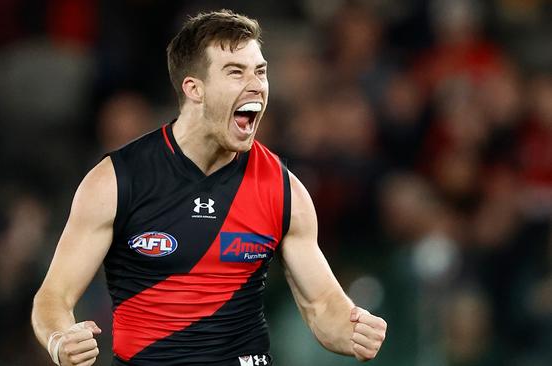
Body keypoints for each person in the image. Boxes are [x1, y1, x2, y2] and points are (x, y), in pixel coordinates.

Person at [31, 9, 387, 366]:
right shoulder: (117, 181)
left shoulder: (282, 187)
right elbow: (54, 297)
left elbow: (321, 303)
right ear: (194, 89)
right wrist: (60, 338)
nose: (256, 85)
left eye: (260, 72)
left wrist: (351, 327)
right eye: (236, 72)